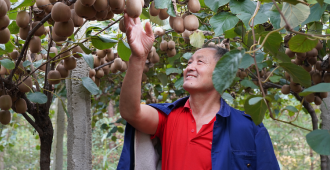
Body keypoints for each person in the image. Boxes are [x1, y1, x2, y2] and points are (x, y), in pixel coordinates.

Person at [117, 13, 280, 170]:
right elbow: (130, 112)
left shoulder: (249, 128)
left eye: (200, 62)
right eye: (189, 62)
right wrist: (138, 58)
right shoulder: (168, 118)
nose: (190, 67)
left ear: (222, 72)